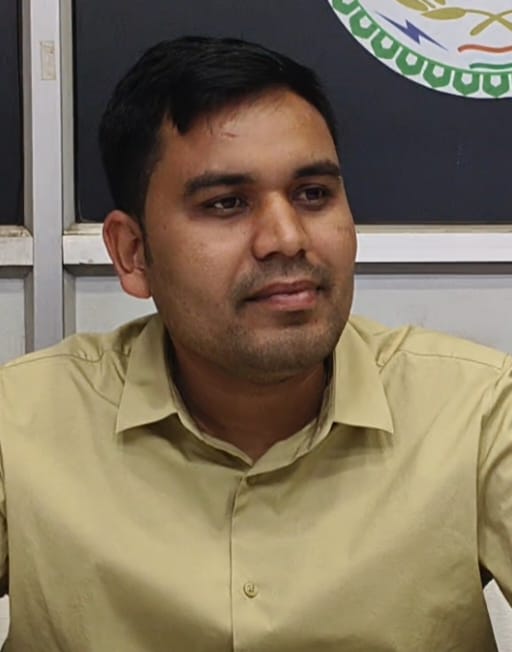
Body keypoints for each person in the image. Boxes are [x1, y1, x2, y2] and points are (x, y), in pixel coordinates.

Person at [0, 35, 511, 652]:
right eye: (227, 203)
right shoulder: (21, 423)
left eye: (313, 194)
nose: (287, 238)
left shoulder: (478, 413)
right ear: (133, 253)